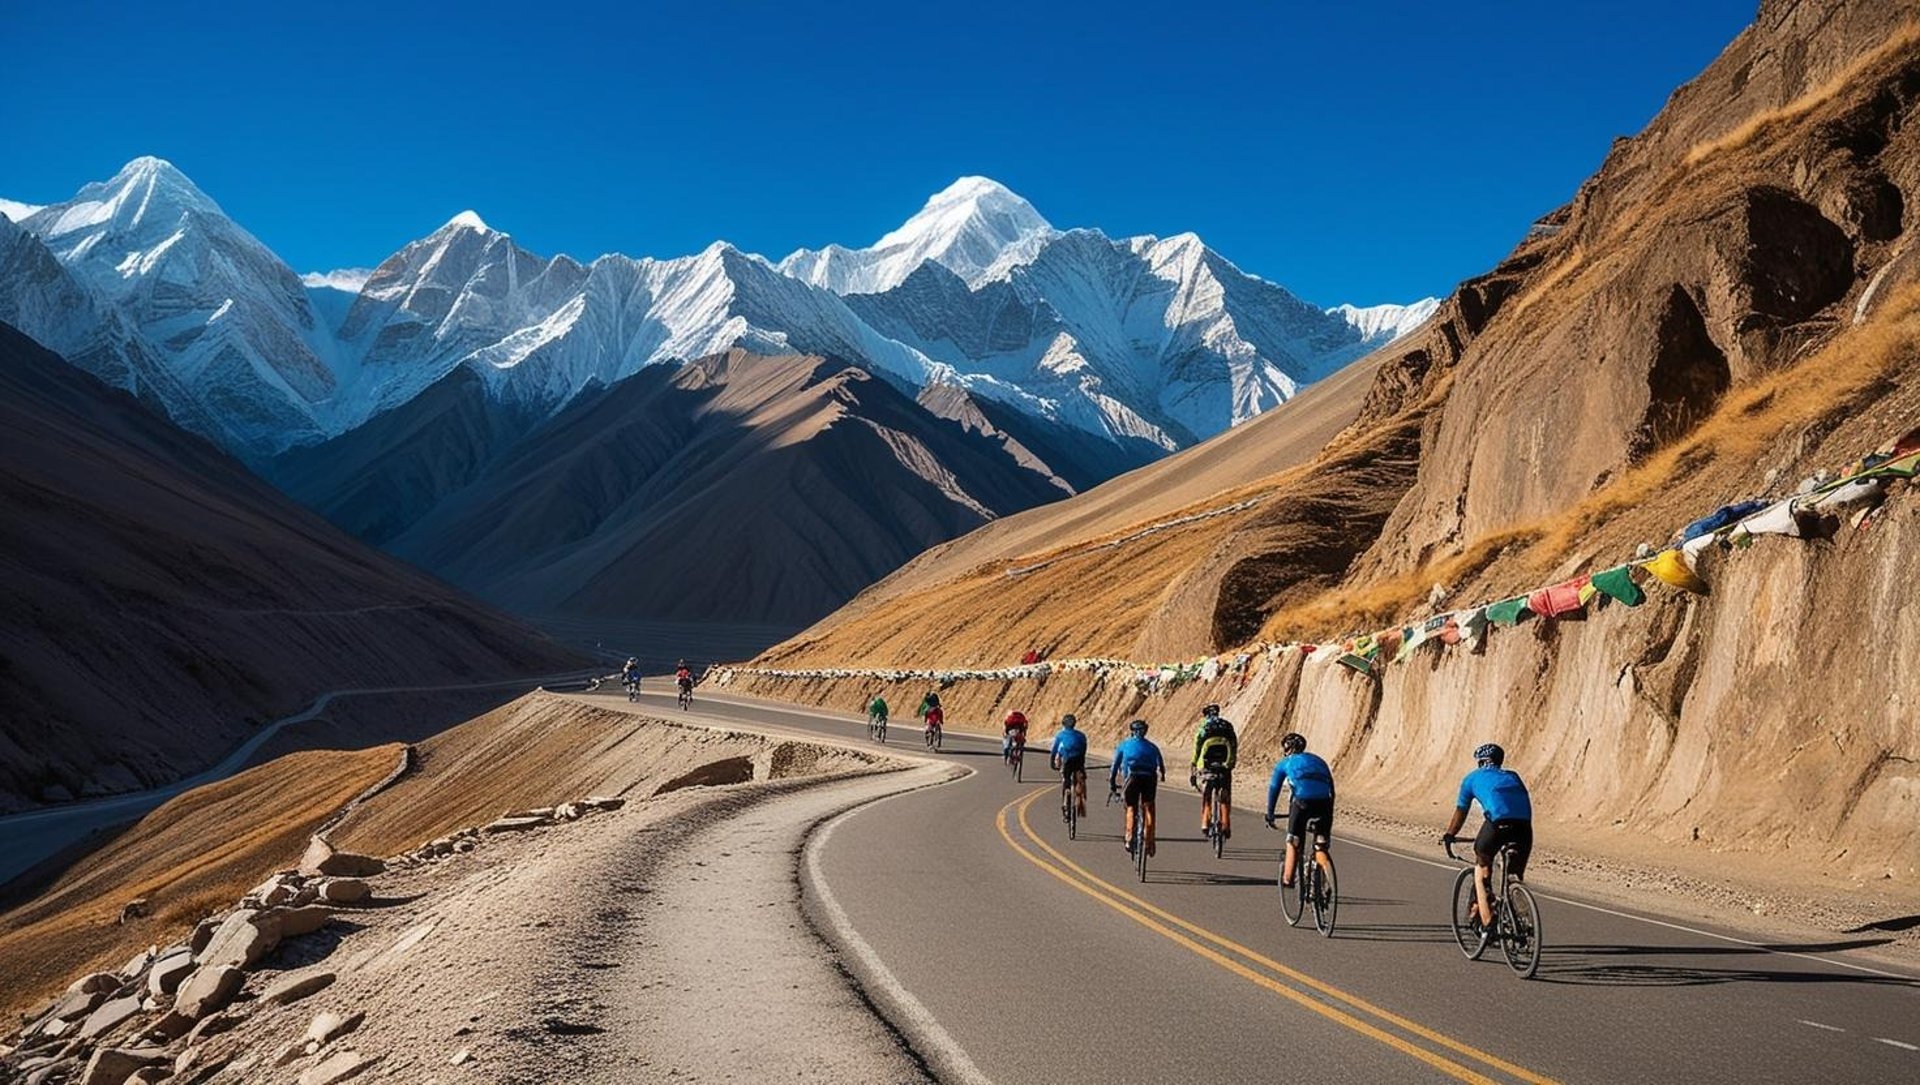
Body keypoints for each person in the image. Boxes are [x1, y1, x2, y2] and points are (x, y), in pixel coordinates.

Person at [1442, 743, 1533, 931]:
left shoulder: (1471, 779)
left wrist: (1450, 835)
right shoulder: (1513, 776)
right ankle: (1521, 919)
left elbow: (1461, 811)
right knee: (1514, 875)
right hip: (1524, 828)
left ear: (1480, 762)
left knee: (1482, 863)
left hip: (1498, 823)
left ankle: (1487, 919)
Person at [1264, 732, 1334, 888]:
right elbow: (1331, 789)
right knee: (1321, 845)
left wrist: (1270, 814)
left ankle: (1288, 879)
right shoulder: (1319, 760)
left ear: (1286, 749)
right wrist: (1329, 811)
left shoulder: (1285, 763)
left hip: (1302, 802)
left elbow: (1274, 789)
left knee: (1293, 840)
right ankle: (1326, 882)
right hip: (1325, 803)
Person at [1108, 720, 1166, 857]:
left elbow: (1115, 766)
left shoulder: (1124, 745)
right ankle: (1149, 841)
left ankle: (1129, 837)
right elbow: (1161, 766)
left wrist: (1112, 782)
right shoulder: (1152, 747)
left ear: (1132, 732)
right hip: (1149, 778)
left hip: (1132, 778)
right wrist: (1163, 775)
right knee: (1149, 807)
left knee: (1131, 807)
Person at [1189, 703, 1238, 837]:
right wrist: (1231, 763)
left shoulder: (1203, 728)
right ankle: (1226, 825)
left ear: (1206, 715)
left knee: (1207, 794)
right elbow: (1234, 745)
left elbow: (1197, 748)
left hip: (1207, 765)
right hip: (1224, 765)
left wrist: (1194, 764)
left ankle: (1205, 823)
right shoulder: (1227, 726)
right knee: (1225, 794)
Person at [1049, 714, 1088, 817]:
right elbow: (1084, 748)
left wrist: (1052, 762)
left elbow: (1054, 750)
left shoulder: (1060, 735)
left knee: (1066, 779)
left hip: (1067, 761)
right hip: (1079, 759)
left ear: (1063, 724)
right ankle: (1080, 794)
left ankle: (1065, 802)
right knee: (1081, 776)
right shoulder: (1081, 735)